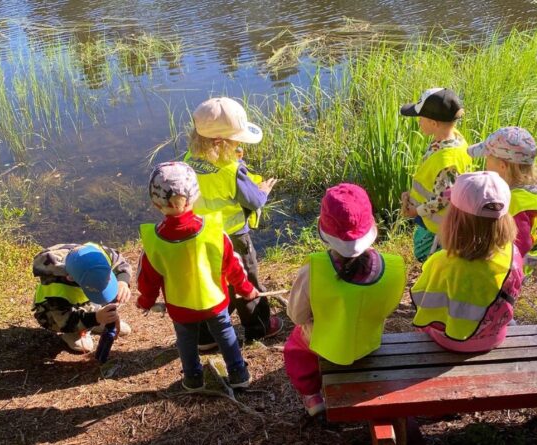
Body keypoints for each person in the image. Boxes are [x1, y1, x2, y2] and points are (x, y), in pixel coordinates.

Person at [283, 184, 406, 416]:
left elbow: (296, 316)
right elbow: (389, 307)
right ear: (370, 225)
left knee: (295, 349)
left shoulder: (314, 268)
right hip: (368, 342)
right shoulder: (395, 265)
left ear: (324, 230)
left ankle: (312, 396)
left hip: (325, 346)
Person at [136, 161, 259, 390]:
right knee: (225, 333)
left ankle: (193, 379)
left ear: (155, 203)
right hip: (214, 301)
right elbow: (234, 267)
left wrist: (145, 302)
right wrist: (246, 289)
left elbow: (148, 280)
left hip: (180, 307)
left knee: (186, 341)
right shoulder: (213, 231)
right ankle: (238, 373)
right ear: (196, 194)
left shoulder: (154, 242)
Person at [188, 97, 283, 344]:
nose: (240, 144)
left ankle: (207, 334)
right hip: (234, 237)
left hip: (202, 235)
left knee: (214, 283)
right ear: (223, 142)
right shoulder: (232, 169)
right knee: (246, 281)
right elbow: (254, 201)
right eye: (236, 140)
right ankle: (260, 328)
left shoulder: (189, 158)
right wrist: (262, 190)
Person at [410, 172, 524, 352]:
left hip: (453, 341)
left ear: (454, 220)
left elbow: (426, 307)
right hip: (494, 336)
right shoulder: (513, 254)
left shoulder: (442, 262)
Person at [399, 88, 472, 262]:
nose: (418, 122)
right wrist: (412, 196)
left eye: (421, 118)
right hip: (430, 219)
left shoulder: (448, 161)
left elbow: (444, 199)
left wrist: (415, 210)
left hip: (438, 227)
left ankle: (434, 283)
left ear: (434, 123)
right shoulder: (451, 138)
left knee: (429, 259)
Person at [468, 127, 537, 276]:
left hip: (507, 272)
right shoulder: (528, 194)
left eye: (487, 160)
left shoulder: (515, 202)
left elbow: (521, 244)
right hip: (514, 268)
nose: (485, 165)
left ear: (502, 166)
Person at [32, 243, 132, 353]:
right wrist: (96, 318)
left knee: (109, 293)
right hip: (56, 313)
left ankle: (98, 319)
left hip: (84, 302)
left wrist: (122, 281)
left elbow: (120, 262)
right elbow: (65, 321)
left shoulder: (97, 254)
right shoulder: (56, 287)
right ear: (70, 278)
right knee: (84, 344)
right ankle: (76, 333)